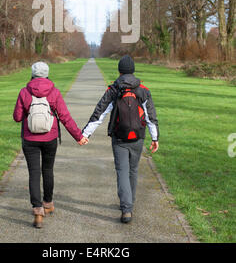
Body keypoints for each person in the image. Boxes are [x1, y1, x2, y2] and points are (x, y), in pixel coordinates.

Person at [82, 54, 159, 224]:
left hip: (119, 138)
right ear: (132, 70)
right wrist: (155, 138)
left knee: (122, 171)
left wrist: (85, 134)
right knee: (133, 170)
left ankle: (126, 209)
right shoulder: (143, 90)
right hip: (138, 138)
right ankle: (129, 203)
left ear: (119, 70)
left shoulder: (114, 89)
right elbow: (150, 116)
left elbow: (99, 112)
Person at [13, 61, 88, 229]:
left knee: (34, 173)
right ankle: (48, 203)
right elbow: (65, 117)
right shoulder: (54, 92)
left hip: (30, 139)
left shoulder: (24, 92)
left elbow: (17, 117)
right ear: (47, 74)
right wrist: (79, 136)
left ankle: (37, 209)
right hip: (50, 138)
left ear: (32, 74)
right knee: (47, 170)